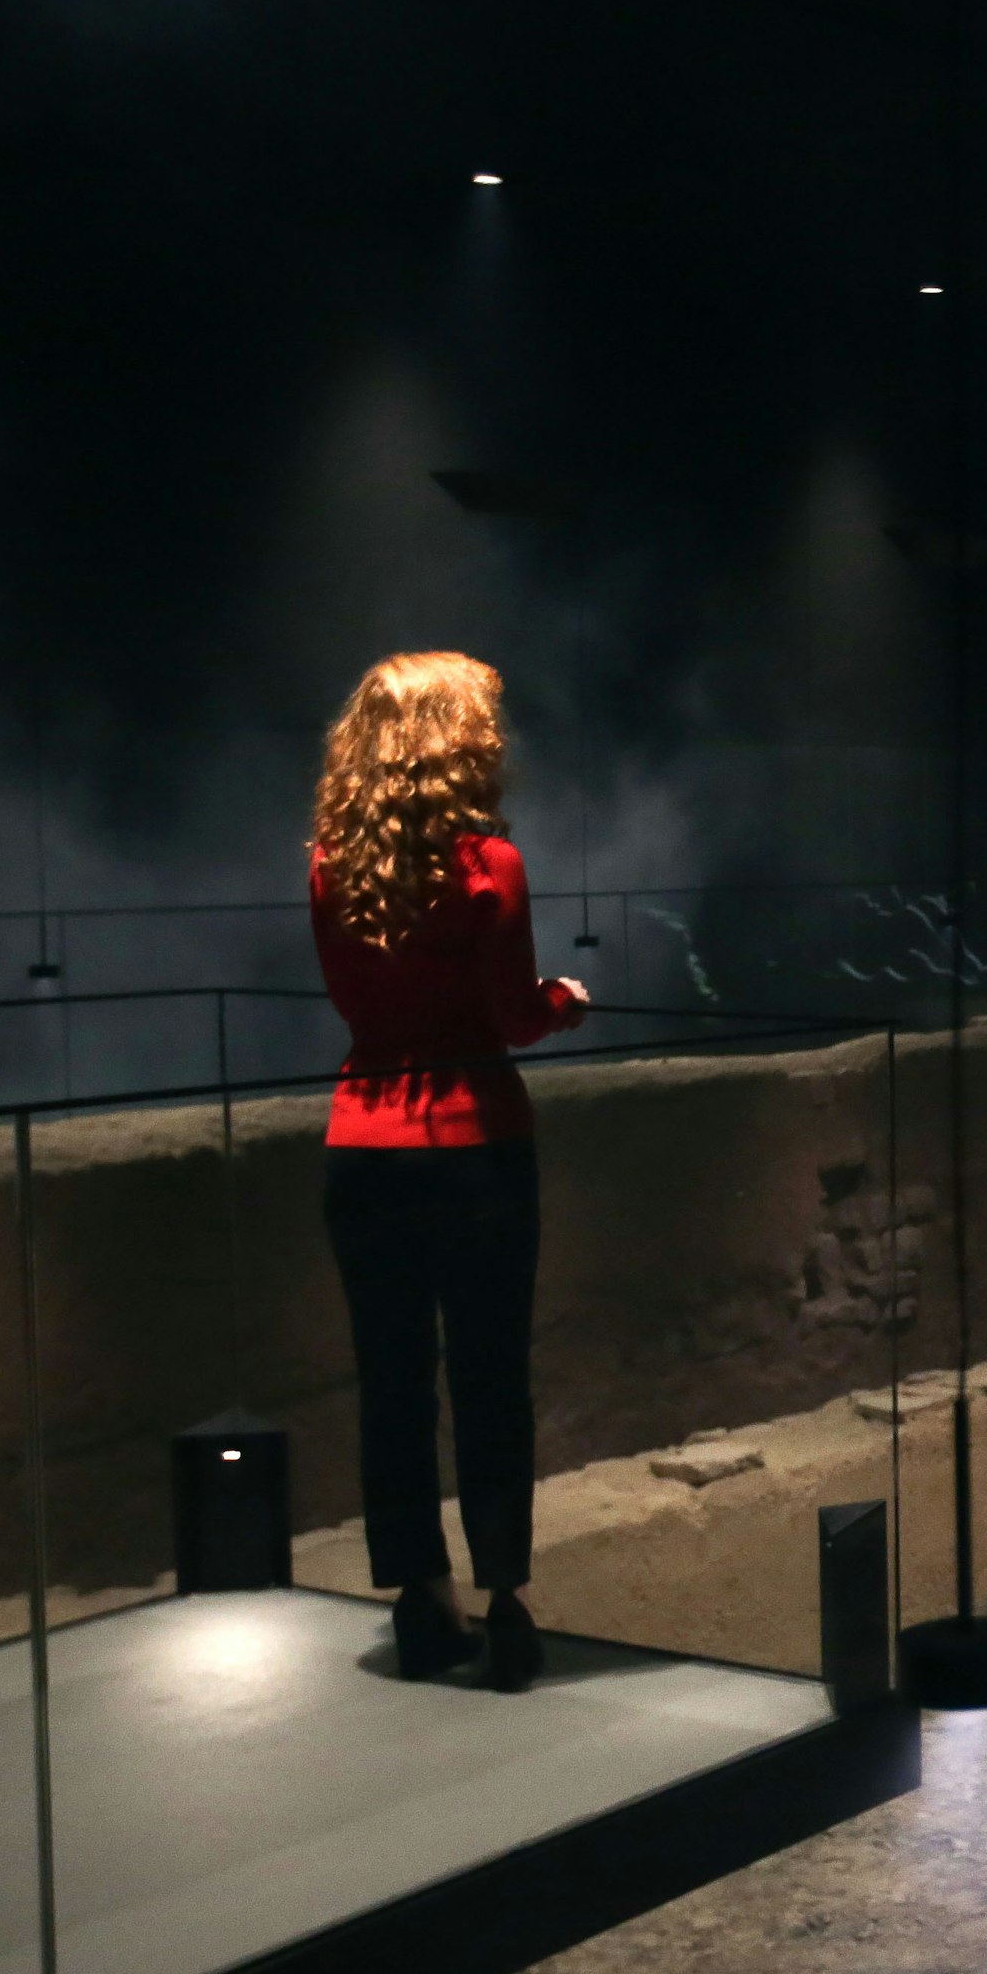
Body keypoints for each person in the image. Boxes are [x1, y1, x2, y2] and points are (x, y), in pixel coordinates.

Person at [307, 652, 588, 1690]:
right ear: (456, 738)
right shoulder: (488, 864)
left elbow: (356, 1009)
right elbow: (511, 1021)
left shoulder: (332, 860)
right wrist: (564, 1000)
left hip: (362, 1149)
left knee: (392, 1384)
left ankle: (420, 1603)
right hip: (475, 1150)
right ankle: (507, 1600)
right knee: (488, 1378)